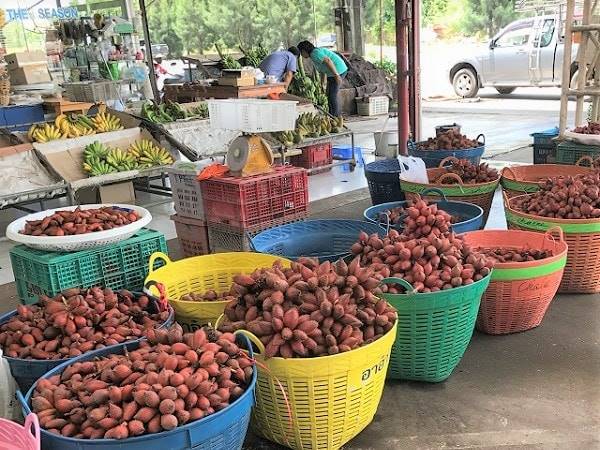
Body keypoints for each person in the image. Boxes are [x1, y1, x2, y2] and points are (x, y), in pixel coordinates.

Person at [297, 40, 348, 117]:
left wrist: (336, 75)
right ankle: (332, 115)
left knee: (332, 95)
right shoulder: (314, 54)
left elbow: (328, 61)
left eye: (301, 52)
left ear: (304, 51)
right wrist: (322, 83)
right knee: (329, 95)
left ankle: (335, 117)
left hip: (338, 70)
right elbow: (323, 70)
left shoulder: (315, 54)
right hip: (333, 74)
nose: (301, 55)